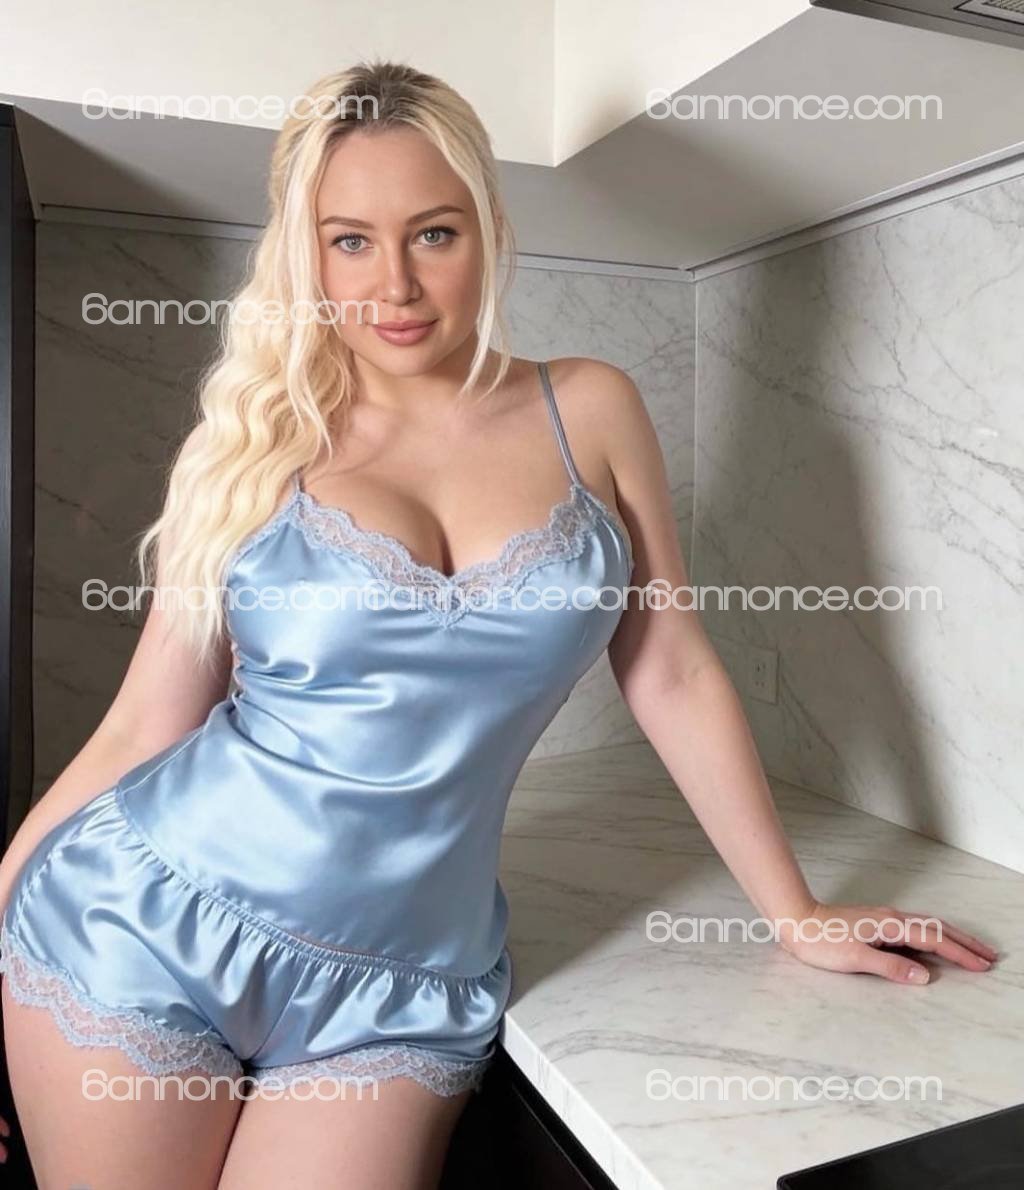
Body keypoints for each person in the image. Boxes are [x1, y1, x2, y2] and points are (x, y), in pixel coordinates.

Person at [0, 59, 999, 1188]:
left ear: (487, 227)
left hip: (400, 987)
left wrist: (795, 909)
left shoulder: (591, 408)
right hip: (140, 918)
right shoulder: (248, 447)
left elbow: (669, 666)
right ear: (304, 252)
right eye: (349, 240)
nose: (396, 284)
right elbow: (142, 728)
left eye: (433, 233)